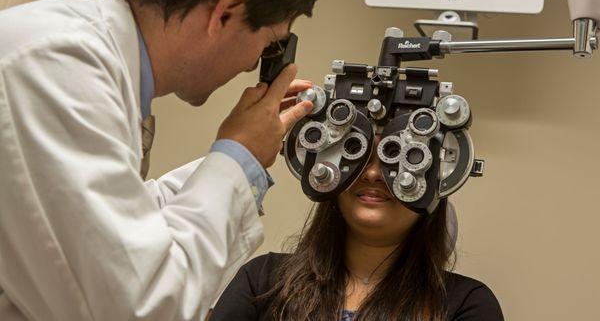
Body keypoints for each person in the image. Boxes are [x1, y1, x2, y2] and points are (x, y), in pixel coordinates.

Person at [0, 0, 319, 320]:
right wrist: (239, 159)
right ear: (225, 14)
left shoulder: (86, 60)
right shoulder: (56, 70)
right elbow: (136, 306)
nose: (255, 64)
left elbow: (120, 226)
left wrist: (242, 157)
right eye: (270, 43)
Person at [210, 137, 504, 321]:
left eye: (397, 160)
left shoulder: (466, 304)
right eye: (358, 156)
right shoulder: (263, 281)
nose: (374, 173)